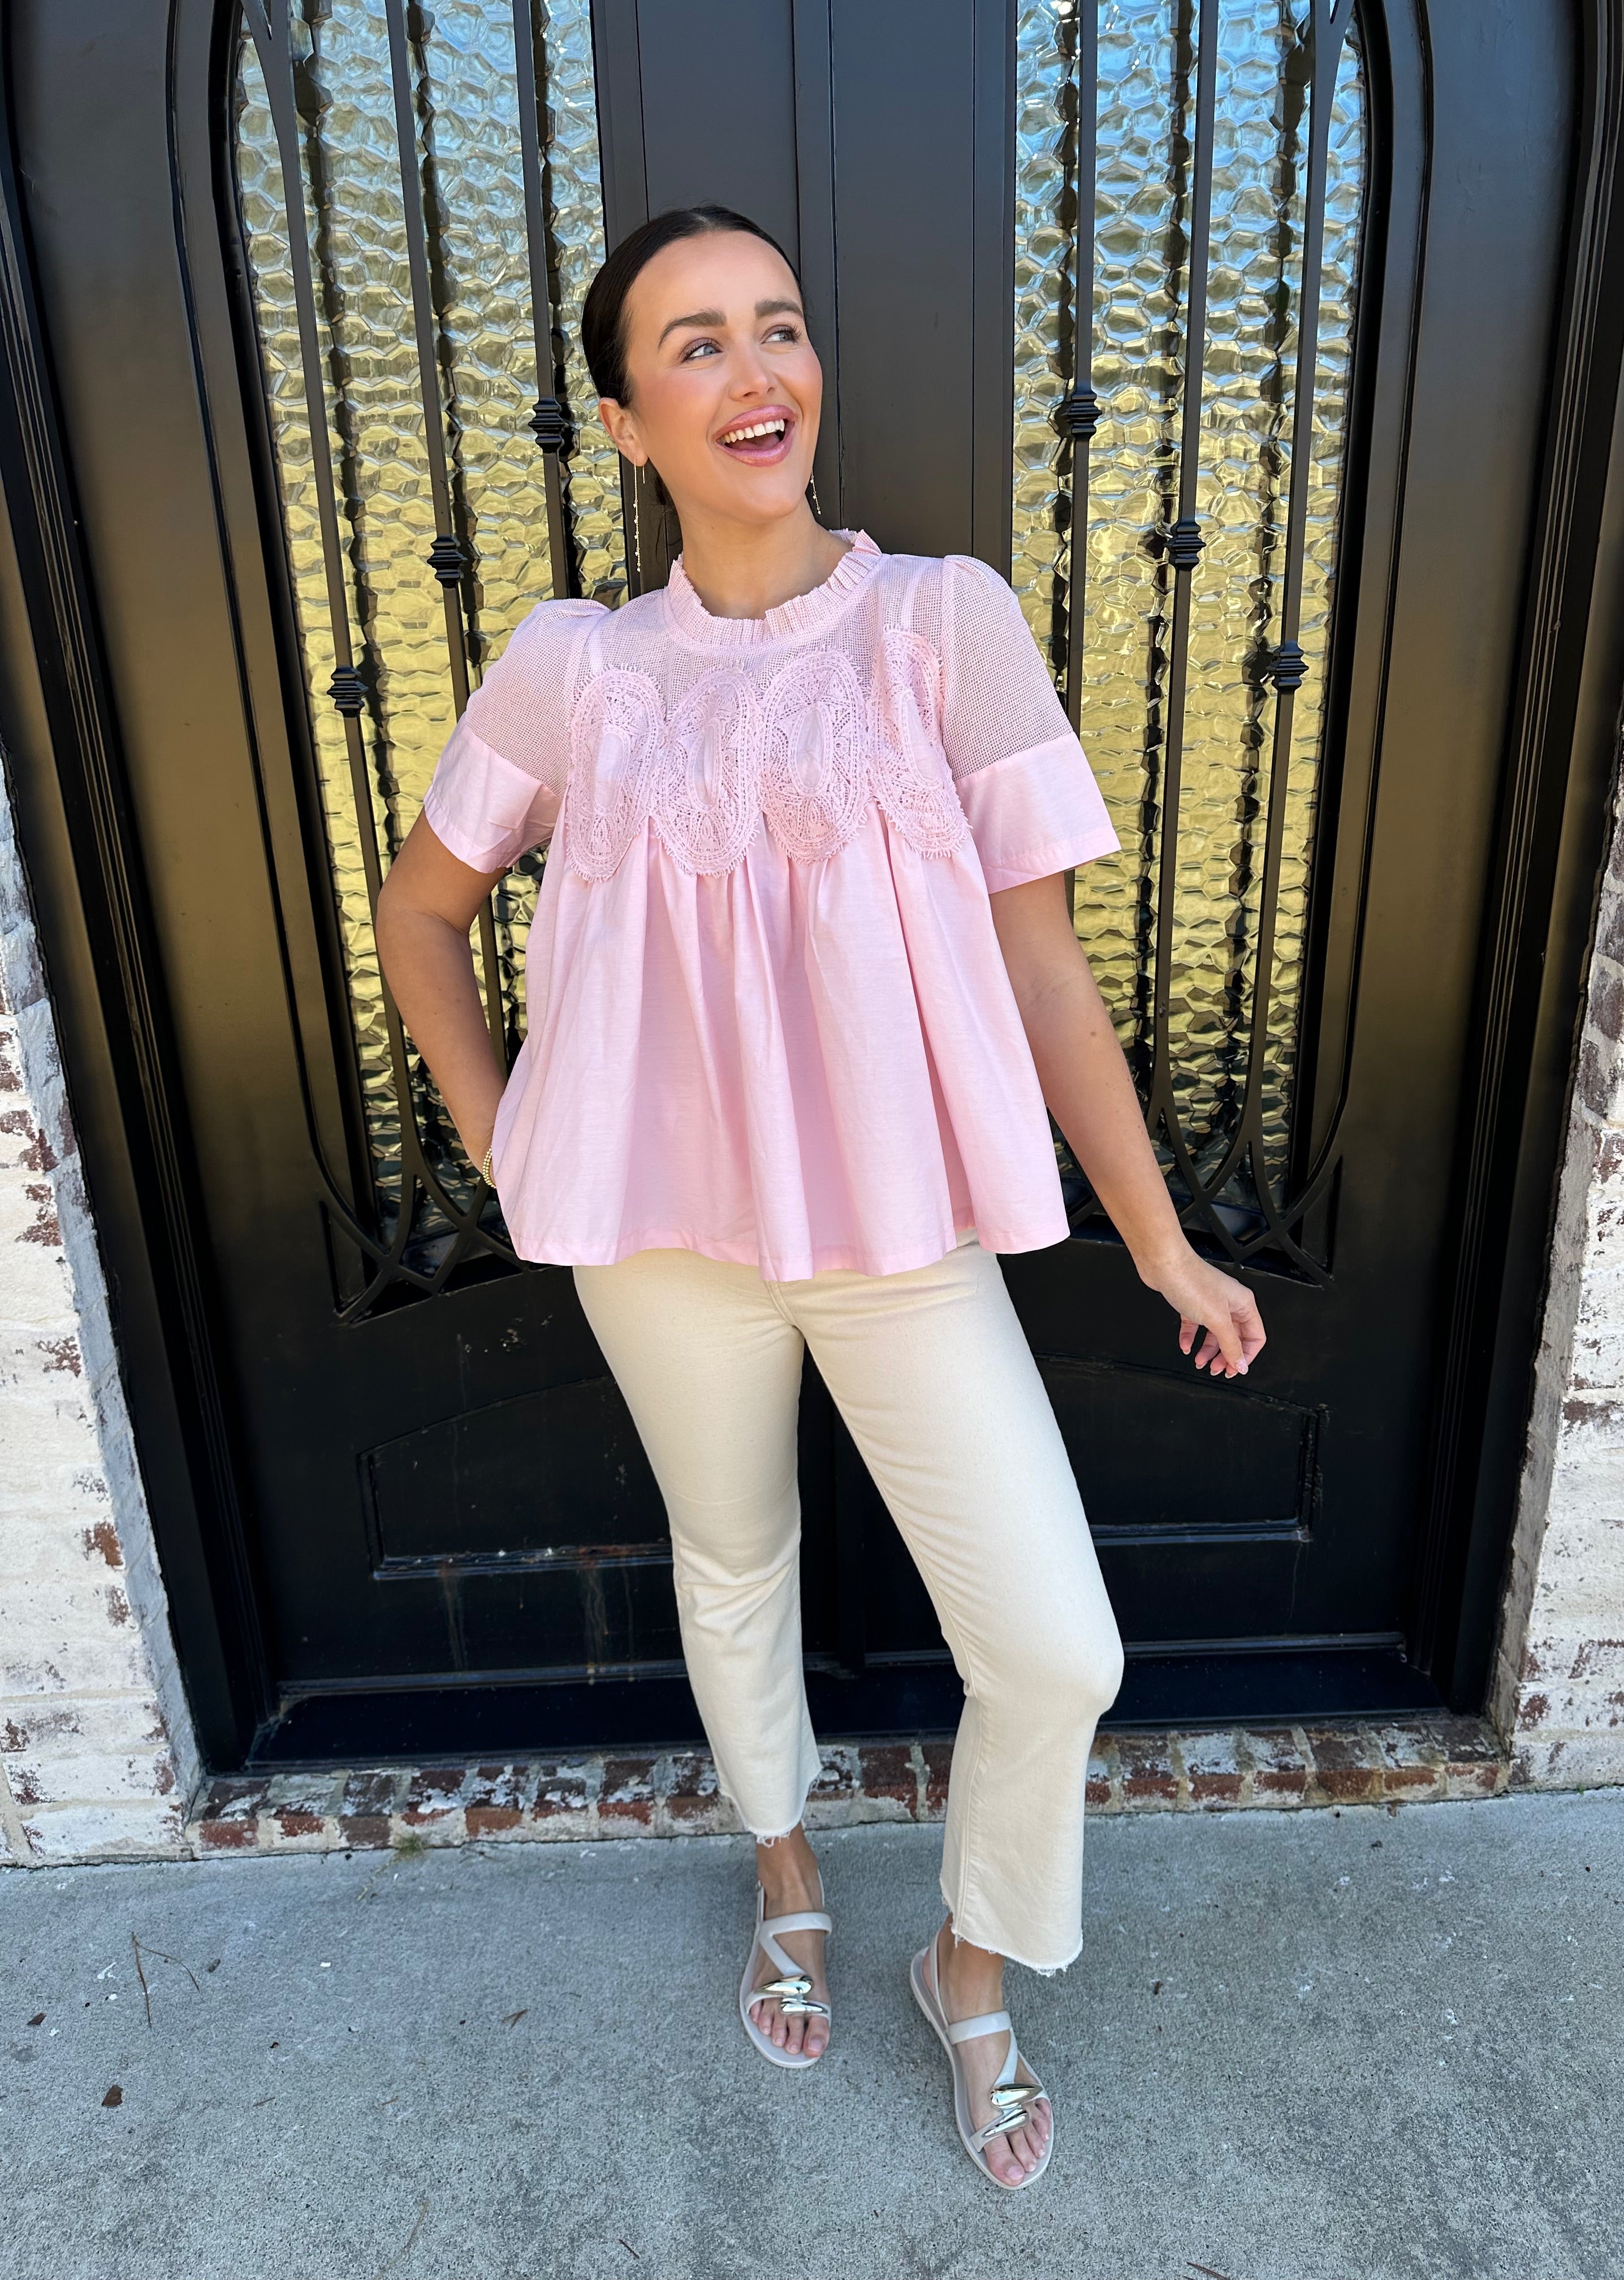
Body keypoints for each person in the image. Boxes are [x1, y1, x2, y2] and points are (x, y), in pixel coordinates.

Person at [374, 204, 1265, 2190]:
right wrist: (517, 1137)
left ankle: (969, 1955)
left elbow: (1043, 965)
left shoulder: (942, 625)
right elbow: (420, 913)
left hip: (899, 1237)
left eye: (776, 326)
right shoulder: (574, 672)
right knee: (733, 1554)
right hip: (659, 1245)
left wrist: (1156, 1238)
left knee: (1056, 1648)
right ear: (627, 420)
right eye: (695, 343)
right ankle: (784, 1865)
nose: (753, 371)